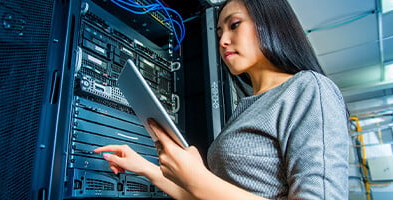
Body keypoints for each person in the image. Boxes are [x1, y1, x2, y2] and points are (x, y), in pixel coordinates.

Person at [94, 0, 349, 199]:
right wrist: (146, 168)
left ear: (270, 22)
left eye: (234, 24)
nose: (224, 41)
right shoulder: (246, 107)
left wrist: (198, 178)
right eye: (219, 34)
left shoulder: (308, 89)